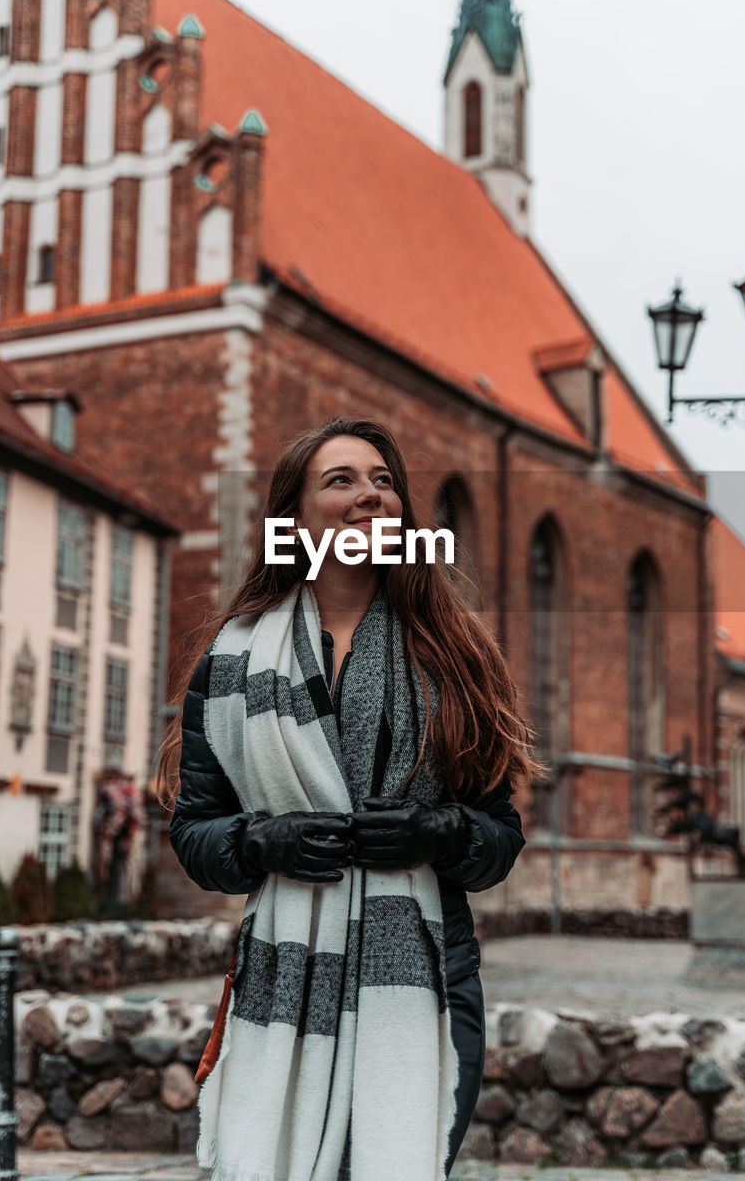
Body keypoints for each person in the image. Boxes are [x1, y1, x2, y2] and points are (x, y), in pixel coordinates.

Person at [158, 417, 541, 1181]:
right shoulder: (231, 661)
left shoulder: (454, 653)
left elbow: (497, 838)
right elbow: (196, 832)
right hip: (280, 976)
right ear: (294, 520)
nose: (370, 495)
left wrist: (440, 833)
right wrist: (258, 842)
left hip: (428, 985)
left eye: (383, 480)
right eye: (341, 481)